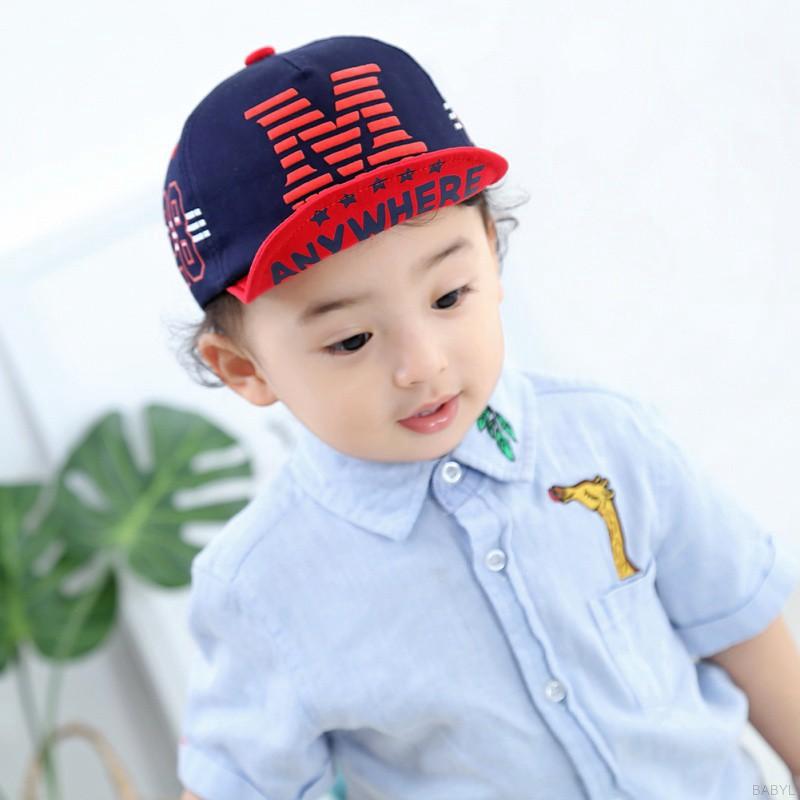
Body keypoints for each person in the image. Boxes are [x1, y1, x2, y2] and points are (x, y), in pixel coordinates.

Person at [161, 35, 800, 800]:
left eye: (448, 296)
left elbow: (738, 619)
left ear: (489, 254)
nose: (423, 363)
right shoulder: (262, 586)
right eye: (352, 339)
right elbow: (234, 784)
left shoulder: (607, 437)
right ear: (245, 368)